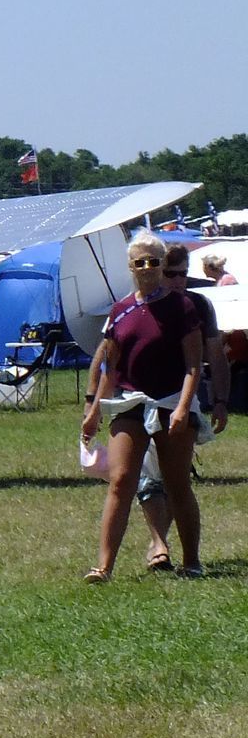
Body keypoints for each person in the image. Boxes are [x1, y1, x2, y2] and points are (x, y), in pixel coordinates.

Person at [81, 232, 205, 582]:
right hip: (130, 403)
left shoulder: (181, 307)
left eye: (154, 261)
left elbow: (193, 365)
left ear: (162, 265)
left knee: (177, 482)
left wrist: (182, 409)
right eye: (141, 262)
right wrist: (93, 411)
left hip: (170, 402)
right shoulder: (120, 311)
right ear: (130, 267)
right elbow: (110, 367)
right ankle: (103, 567)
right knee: (120, 480)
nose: (148, 268)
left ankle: (192, 561)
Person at [130, 243, 230, 571]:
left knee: (176, 477)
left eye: (183, 274)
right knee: (147, 478)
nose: (177, 280)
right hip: (140, 400)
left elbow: (215, 354)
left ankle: (164, 545)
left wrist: (220, 400)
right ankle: (159, 543)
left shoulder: (198, 305)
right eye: (171, 273)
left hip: (184, 400)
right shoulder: (137, 303)